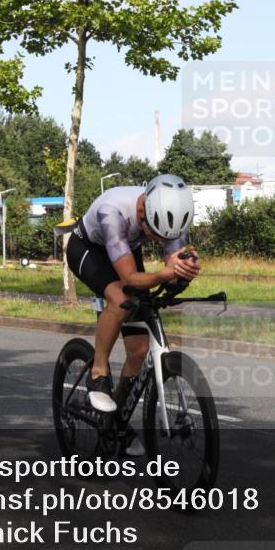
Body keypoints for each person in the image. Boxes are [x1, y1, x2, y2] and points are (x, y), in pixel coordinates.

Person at [66, 174, 200, 453]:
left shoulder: (173, 213)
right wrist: (164, 274)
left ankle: (115, 422)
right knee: (120, 297)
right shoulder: (112, 212)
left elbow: (170, 267)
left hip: (126, 248)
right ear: (143, 212)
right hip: (89, 250)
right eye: (155, 233)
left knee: (138, 350)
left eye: (166, 237)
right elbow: (129, 278)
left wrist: (182, 272)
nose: (160, 240)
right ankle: (98, 372)